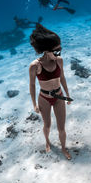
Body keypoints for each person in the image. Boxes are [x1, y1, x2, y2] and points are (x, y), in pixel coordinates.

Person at [29, 24, 73, 160]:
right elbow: (32, 85)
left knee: (61, 127)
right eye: (56, 51)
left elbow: (62, 78)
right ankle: (47, 141)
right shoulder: (35, 66)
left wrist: (67, 95)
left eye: (60, 50)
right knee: (47, 125)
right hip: (44, 98)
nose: (59, 54)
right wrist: (34, 104)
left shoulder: (59, 61)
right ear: (46, 51)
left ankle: (64, 148)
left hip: (59, 96)